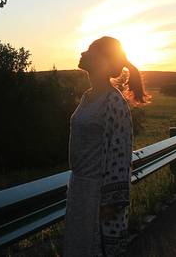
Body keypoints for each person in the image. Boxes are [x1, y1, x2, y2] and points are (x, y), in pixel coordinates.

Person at [63, 36, 151, 256]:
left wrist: (111, 203)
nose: (83, 53)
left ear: (102, 60)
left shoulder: (114, 102)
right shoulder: (88, 97)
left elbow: (120, 155)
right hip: (79, 189)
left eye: (90, 50)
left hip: (99, 194)